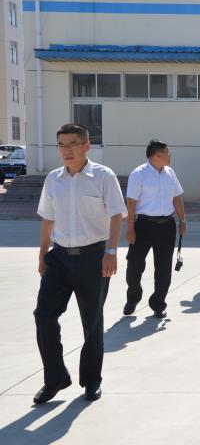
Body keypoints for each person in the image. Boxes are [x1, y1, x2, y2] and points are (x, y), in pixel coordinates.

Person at [34, 123, 126, 404]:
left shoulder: (103, 176)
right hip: (59, 258)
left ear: (86, 146)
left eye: (72, 144)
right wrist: (43, 253)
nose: (67, 150)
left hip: (93, 258)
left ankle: (92, 380)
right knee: (44, 315)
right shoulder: (54, 179)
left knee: (92, 322)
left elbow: (116, 214)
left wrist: (111, 251)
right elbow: (48, 218)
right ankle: (55, 379)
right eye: (61, 145)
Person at [124, 140, 186, 319]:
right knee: (134, 265)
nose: (170, 155)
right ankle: (133, 297)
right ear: (158, 155)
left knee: (164, 267)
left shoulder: (170, 173)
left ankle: (158, 303)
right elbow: (131, 203)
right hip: (143, 225)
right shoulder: (139, 174)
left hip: (166, 225)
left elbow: (177, 198)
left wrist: (182, 220)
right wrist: (130, 228)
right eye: (167, 152)